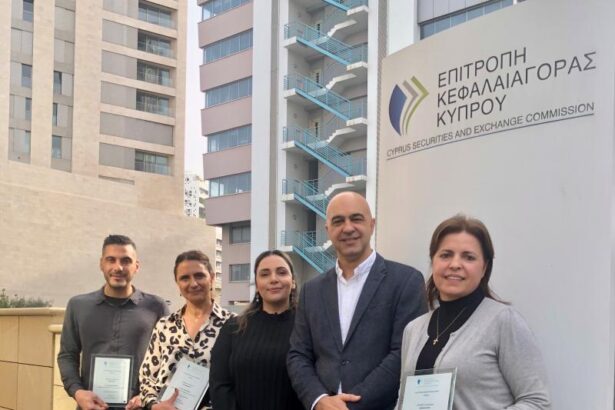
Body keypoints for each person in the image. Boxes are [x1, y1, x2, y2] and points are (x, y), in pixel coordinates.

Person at [287, 191, 427, 410]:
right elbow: (298, 355)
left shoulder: (406, 281)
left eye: (356, 218)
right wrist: (319, 400)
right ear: (328, 230)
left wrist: (349, 405)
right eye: (338, 221)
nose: (348, 228)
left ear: (372, 224)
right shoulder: (311, 291)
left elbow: (404, 353)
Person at [397, 215, 551, 409]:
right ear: (433, 261)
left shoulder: (503, 322)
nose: (455, 264)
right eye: (446, 255)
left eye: (468, 257)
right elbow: (403, 401)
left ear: (484, 267)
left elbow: (537, 402)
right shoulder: (413, 329)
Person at [58, 234, 169, 410]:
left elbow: (167, 360)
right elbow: (67, 355)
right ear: (101, 264)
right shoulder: (78, 306)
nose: (118, 267)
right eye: (111, 260)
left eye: (126, 261)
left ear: (136, 266)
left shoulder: (156, 307)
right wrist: (77, 392)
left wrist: (148, 396)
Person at [139, 250, 234, 410]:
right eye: (185, 278)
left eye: (199, 276)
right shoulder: (165, 326)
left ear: (212, 278)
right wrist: (154, 406)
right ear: (177, 284)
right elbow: (147, 378)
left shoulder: (233, 325)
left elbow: (241, 380)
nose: (193, 283)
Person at [210, 250, 303, 410]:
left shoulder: (308, 327)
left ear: (293, 281)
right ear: (257, 285)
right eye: (265, 274)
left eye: (281, 272)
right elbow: (219, 385)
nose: (273, 279)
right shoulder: (233, 328)